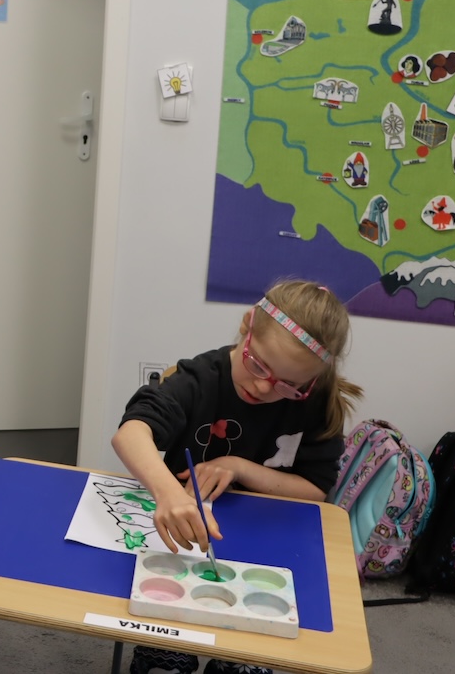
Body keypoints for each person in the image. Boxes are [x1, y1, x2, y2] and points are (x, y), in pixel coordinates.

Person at [111, 280, 361, 674]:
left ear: (312, 380)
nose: (263, 386)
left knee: (250, 653)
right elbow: (130, 433)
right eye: (259, 365)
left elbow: (315, 489)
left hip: (267, 545)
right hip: (185, 541)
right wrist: (168, 494)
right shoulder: (198, 379)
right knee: (167, 655)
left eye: (287, 386)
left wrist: (239, 466)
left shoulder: (316, 402)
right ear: (247, 326)